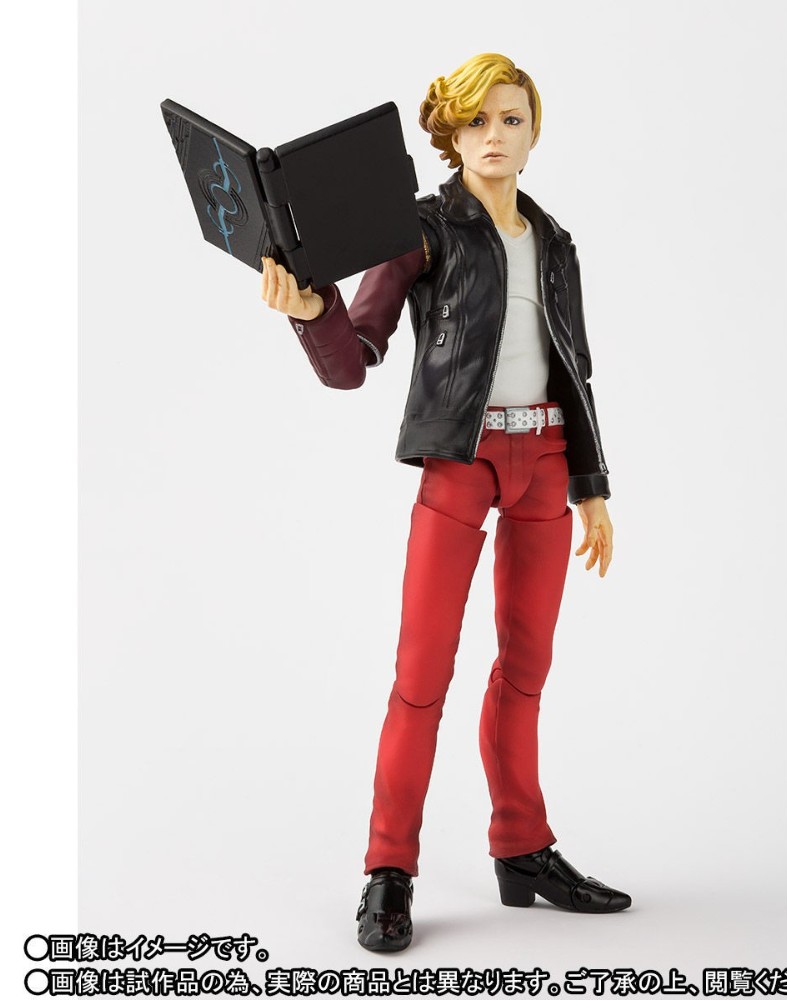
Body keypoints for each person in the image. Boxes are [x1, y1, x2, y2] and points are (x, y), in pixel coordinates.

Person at [260, 53, 631, 952]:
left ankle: (523, 848)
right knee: (422, 673)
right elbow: (356, 356)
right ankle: (388, 868)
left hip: (546, 456)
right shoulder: (422, 231)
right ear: (450, 135)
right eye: (475, 121)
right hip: (460, 461)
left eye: (511, 119)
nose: (493, 136)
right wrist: (311, 312)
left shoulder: (555, 242)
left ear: (533, 132)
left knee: (526, 669)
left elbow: (574, 368)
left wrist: (592, 487)